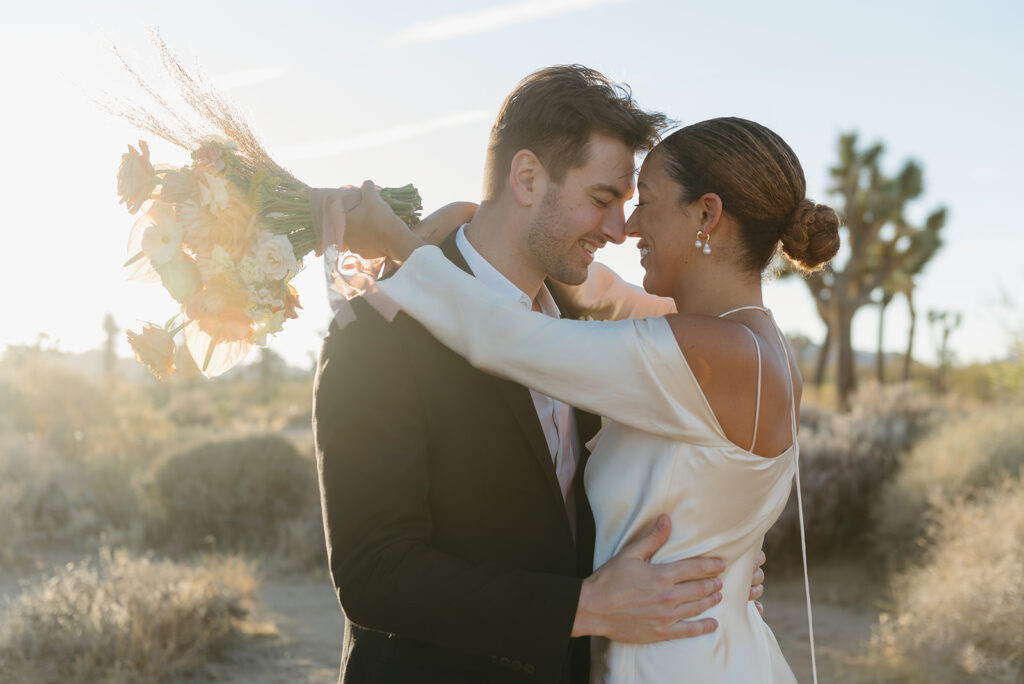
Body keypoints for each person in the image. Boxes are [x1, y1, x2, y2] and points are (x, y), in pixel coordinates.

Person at [337, 116, 840, 682]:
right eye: (611, 201)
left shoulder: (709, 352)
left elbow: (505, 338)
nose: (628, 228)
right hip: (702, 646)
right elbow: (598, 294)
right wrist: (477, 219)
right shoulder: (756, 345)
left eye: (644, 200)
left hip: (674, 661)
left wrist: (396, 242)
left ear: (706, 214)